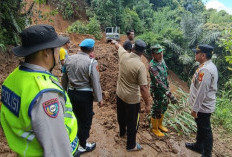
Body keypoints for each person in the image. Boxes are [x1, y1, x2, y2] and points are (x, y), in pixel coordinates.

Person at [0, 24, 79, 157]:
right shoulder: (45, 94)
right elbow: (56, 149)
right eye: (56, 48)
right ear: (46, 52)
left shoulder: (13, 77)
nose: (58, 52)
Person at [62, 38, 103, 154]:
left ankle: (72, 141)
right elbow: (95, 82)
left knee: (73, 117)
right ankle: (83, 145)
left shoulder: (69, 59)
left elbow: (64, 78)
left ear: (80, 48)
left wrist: (63, 92)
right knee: (85, 120)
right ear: (92, 49)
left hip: (71, 93)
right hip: (85, 95)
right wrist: (99, 99)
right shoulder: (91, 62)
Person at [111, 39, 151, 151]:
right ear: (142, 52)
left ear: (133, 48)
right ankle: (131, 145)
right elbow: (143, 87)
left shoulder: (123, 55)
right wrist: (147, 104)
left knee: (121, 116)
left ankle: (122, 133)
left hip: (120, 94)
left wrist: (114, 42)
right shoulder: (140, 66)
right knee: (133, 123)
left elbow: (118, 46)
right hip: (132, 100)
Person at [185, 45, 218, 157]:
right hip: (201, 106)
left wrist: (195, 109)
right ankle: (199, 146)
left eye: (197, 53)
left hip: (202, 106)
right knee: (200, 126)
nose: (195, 54)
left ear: (203, 55)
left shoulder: (206, 70)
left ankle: (207, 154)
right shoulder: (205, 66)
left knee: (206, 129)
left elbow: (202, 92)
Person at [149, 44, 178, 137]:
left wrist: (168, 90)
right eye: (158, 53)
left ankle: (160, 124)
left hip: (165, 89)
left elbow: (165, 75)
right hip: (157, 90)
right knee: (157, 108)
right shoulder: (152, 66)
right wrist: (170, 94)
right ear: (153, 55)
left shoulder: (162, 61)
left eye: (161, 52)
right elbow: (159, 82)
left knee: (164, 106)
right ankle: (155, 128)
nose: (161, 54)